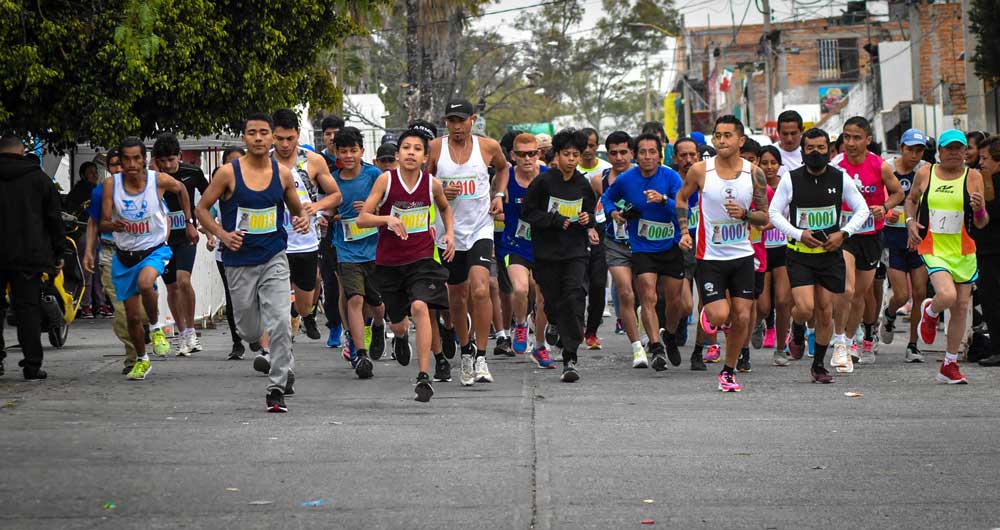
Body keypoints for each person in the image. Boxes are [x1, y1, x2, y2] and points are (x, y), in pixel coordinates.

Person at [195, 113, 316, 412]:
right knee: (249, 330)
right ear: (244, 137)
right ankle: (263, 346)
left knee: (279, 322)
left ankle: (277, 386)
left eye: (265, 133)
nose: (259, 138)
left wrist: (301, 220)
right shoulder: (228, 173)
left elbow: (295, 208)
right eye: (253, 133)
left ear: (272, 137)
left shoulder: (283, 174)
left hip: (274, 256)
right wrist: (222, 233)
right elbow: (202, 209)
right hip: (239, 262)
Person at [356, 130, 456, 402]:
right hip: (389, 264)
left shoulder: (431, 184)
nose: (411, 152)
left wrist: (449, 234)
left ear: (425, 157)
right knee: (399, 324)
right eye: (406, 148)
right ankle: (400, 338)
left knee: (421, 306)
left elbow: (446, 208)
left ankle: (423, 375)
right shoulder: (386, 181)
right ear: (398, 155)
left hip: (422, 260)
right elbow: (362, 219)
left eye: (417, 149)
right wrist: (386, 220)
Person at [768, 128, 870, 384]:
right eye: (811, 148)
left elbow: (862, 209)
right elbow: (773, 213)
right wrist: (798, 233)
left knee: (825, 311)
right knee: (805, 307)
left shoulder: (841, 177)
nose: (816, 152)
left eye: (821, 148)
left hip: (829, 254)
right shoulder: (790, 179)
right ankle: (797, 327)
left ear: (829, 150)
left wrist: (844, 234)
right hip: (800, 254)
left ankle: (818, 365)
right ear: (803, 152)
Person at [676, 115, 770, 392]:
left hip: (742, 255)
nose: (721, 140)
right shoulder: (700, 171)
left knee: (742, 316)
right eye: (717, 135)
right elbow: (682, 198)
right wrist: (684, 230)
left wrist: (746, 214)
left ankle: (728, 372)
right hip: (710, 256)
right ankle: (711, 318)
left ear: (740, 140)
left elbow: (763, 217)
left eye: (727, 135)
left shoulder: (754, 173)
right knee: (719, 315)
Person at [427, 97, 509, 387]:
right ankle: (465, 351)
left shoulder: (487, 147)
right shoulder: (436, 148)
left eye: (461, 120)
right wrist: (438, 192)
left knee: (481, 287)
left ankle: (483, 357)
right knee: (457, 297)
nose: (456, 126)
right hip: (448, 232)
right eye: (451, 121)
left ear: (472, 120)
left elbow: (503, 168)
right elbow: (422, 183)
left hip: (480, 228)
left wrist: (498, 195)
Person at [102, 137, 196, 380]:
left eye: (137, 158)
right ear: (120, 162)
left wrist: (188, 221)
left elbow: (183, 189)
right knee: (132, 317)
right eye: (127, 159)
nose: (132, 164)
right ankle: (142, 360)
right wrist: (114, 224)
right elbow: (101, 221)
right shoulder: (112, 185)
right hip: (124, 256)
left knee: (146, 283)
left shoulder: (159, 180)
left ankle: (156, 328)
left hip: (154, 249)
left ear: (144, 160)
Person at [906, 129, 990, 384]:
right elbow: (911, 199)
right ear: (939, 152)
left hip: (963, 249)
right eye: (948, 148)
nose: (954, 153)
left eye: (959, 148)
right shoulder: (926, 173)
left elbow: (982, 222)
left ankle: (949, 365)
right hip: (933, 247)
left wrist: (979, 209)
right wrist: (910, 222)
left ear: (966, 152)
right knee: (948, 296)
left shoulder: (974, 177)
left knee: (962, 307)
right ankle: (931, 312)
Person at [604, 132, 685, 371]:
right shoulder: (626, 179)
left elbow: (683, 208)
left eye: (652, 152)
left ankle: (669, 334)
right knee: (648, 296)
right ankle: (657, 347)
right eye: (642, 152)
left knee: (675, 302)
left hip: (670, 245)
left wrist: (663, 201)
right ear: (635, 155)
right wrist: (613, 213)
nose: (647, 156)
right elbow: (608, 197)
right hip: (641, 247)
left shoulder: (671, 178)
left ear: (660, 155)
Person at [522, 129, 598, 382]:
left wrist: (588, 220)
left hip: (575, 252)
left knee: (575, 296)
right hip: (546, 254)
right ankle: (553, 323)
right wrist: (554, 221)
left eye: (576, 154)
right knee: (553, 303)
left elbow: (590, 214)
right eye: (567, 154)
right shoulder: (544, 182)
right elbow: (528, 213)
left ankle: (570, 357)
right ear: (557, 155)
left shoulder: (582, 184)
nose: (572, 159)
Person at [830, 116, 903, 370]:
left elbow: (898, 193)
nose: (850, 143)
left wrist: (884, 207)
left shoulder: (879, 166)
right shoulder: (836, 165)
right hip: (845, 236)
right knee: (847, 290)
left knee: (860, 294)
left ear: (867, 140)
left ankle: (850, 341)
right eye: (847, 137)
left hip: (871, 236)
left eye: (856, 138)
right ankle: (839, 341)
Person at [271, 108, 343, 343]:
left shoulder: (312, 161)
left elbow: (336, 196)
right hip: (273, 244)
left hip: (305, 243)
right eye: (279, 138)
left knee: (304, 303)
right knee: (276, 299)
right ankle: (277, 350)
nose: (284, 144)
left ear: (298, 134)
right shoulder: (263, 162)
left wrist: (315, 207)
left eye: (289, 139)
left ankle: (300, 316)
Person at [0, 135, 66, 380]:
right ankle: (32, 364)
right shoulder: (39, 179)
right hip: (28, 255)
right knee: (27, 308)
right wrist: (58, 253)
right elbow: (54, 219)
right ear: (22, 150)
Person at [330, 126, 388, 378]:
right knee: (355, 298)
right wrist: (333, 216)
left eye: (354, 150)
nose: (349, 155)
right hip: (346, 248)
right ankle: (361, 354)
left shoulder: (374, 175)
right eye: (344, 151)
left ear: (362, 151)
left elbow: (389, 205)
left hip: (374, 248)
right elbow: (327, 210)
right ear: (337, 153)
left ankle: (378, 325)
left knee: (377, 304)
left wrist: (370, 209)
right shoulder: (332, 180)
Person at [84, 149, 146, 373]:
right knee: (122, 310)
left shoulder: (146, 188)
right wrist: (89, 251)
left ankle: (143, 335)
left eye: (122, 163)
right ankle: (134, 357)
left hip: (143, 253)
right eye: (114, 165)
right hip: (111, 254)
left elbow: (163, 218)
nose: (119, 169)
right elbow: (93, 222)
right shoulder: (102, 191)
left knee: (142, 310)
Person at [500, 133, 557, 368]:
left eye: (531, 154)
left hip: (544, 245)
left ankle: (540, 346)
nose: (527, 159)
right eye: (521, 155)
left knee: (543, 299)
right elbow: (493, 201)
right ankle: (521, 325)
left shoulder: (548, 177)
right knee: (521, 288)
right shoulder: (506, 178)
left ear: (539, 154)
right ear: (513, 156)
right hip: (514, 243)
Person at [151, 132, 207, 356]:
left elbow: (209, 195)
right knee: (172, 286)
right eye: (162, 161)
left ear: (180, 156)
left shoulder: (192, 172)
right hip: (163, 238)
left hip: (186, 234)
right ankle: (183, 333)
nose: (167, 165)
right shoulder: (154, 178)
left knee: (184, 281)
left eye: (171, 160)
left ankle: (191, 330)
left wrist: (202, 222)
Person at [595, 131, 647, 367]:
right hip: (615, 244)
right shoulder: (599, 180)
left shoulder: (646, 176)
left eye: (623, 152)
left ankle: (649, 335)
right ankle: (636, 347)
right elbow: (593, 207)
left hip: (644, 244)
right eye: (613, 153)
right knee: (625, 292)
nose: (618, 157)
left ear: (632, 153)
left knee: (647, 295)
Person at [879, 129, 929, 362]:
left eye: (919, 150)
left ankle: (913, 345)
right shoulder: (886, 167)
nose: (914, 155)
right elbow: (877, 198)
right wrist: (886, 210)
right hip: (892, 238)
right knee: (901, 294)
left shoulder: (926, 170)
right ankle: (889, 316)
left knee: (919, 292)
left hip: (918, 238)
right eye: (910, 149)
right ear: (901, 147)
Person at [672, 137, 717, 368]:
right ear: (675, 158)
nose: (688, 160)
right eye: (683, 156)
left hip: (707, 249)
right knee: (685, 305)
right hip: (678, 249)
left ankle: (698, 351)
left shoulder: (709, 181)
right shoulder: (671, 182)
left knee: (706, 305)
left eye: (693, 155)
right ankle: (676, 325)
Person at [207, 147, 248, 360]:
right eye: (231, 163)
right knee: (233, 298)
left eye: (240, 162)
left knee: (254, 298)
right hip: (226, 255)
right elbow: (205, 214)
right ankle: (237, 342)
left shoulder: (257, 185)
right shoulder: (219, 192)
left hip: (255, 252)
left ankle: (258, 335)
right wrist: (214, 235)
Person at [756, 145, 793, 366]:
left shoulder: (787, 186)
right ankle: (758, 322)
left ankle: (781, 348)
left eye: (773, 163)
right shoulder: (753, 186)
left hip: (783, 247)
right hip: (760, 249)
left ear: (779, 165)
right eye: (765, 163)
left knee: (783, 300)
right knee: (762, 305)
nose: (769, 167)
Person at [318, 114, 346, 347]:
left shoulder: (352, 161)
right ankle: (334, 325)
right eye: (327, 134)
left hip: (353, 230)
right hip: (326, 231)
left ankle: (359, 327)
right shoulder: (317, 162)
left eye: (335, 134)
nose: (331, 138)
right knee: (330, 281)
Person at [974, 135, 1000, 366]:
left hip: (991, 251)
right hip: (986, 250)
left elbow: (987, 216)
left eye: (985, 158)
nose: (981, 162)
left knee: (992, 301)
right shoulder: (984, 179)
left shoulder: (989, 183)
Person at [774, 110, 804, 176]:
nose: (789, 139)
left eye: (793, 133)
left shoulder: (809, 153)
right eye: (785, 134)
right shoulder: (770, 153)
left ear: (802, 131)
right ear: (778, 132)